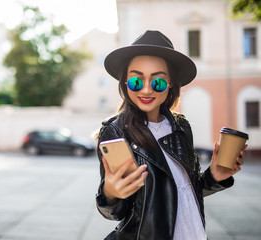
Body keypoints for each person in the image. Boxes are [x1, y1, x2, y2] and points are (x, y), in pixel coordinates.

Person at [95, 30, 247, 240]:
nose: (146, 90)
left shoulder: (181, 126)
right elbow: (117, 212)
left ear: (171, 83)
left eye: (157, 82)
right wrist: (110, 193)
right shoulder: (115, 131)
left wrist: (215, 176)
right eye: (136, 81)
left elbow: (181, 193)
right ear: (125, 82)